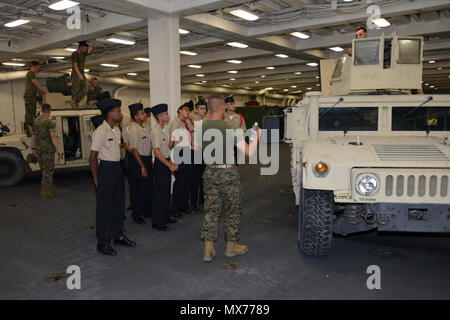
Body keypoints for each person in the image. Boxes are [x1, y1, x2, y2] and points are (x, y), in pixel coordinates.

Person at [199, 95, 261, 263]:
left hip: (210, 173)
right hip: (228, 174)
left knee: (211, 211)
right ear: (222, 108)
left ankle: (208, 248)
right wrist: (256, 136)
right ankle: (231, 246)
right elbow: (248, 152)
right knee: (233, 210)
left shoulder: (201, 127)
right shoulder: (230, 130)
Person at [89, 97, 136, 256]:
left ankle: (118, 235)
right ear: (110, 114)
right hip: (106, 170)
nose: (121, 114)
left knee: (118, 204)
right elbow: (92, 157)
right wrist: (96, 180)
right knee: (104, 208)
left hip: (116, 168)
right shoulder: (101, 131)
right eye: (118, 111)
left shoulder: (116, 130)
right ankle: (103, 242)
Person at [150, 104, 178, 231]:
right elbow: (156, 152)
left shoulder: (162, 130)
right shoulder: (155, 131)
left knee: (166, 192)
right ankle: (157, 221)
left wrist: (171, 161)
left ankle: (165, 216)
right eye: (166, 113)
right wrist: (169, 165)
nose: (168, 115)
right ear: (159, 117)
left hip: (165, 162)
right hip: (161, 165)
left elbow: (165, 150)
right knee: (160, 194)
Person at [127, 103, 153, 225]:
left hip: (147, 158)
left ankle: (148, 211)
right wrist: (142, 166)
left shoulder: (146, 127)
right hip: (137, 160)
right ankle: (137, 214)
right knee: (138, 188)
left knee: (148, 187)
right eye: (142, 113)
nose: (145, 115)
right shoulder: (133, 129)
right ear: (136, 117)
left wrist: (150, 161)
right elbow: (133, 149)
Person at [31, 103, 63, 198]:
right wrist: (59, 150)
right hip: (48, 150)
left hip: (39, 150)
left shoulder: (36, 121)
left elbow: (33, 136)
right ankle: (46, 191)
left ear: (41, 110)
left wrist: (33, 148)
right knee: (48, 171)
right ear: (49, 111)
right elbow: (53, 136)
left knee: (44, 170)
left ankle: (45, 190)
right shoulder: (49, 122)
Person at [169, 104, 194, 218]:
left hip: (187, 152)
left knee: (187, 181)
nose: (188, 112)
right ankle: (175, 208)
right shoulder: (175, 123)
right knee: (179, 182)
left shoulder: (186, 123)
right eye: (186, 110)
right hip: (180, 152)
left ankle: (183, 205)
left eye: (189, 111)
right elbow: (173, 142)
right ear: (179, 111)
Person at [189, 99, 208, 212]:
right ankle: (193, 202)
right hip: (194, 151)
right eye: (201, 108)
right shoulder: (190, 120)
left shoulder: (206, 121)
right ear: (196, 110)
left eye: (205, 109)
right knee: (194, 178)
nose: (203, 111)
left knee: (203, 177)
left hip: (204, 151)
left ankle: (202, 199)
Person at [24, 61, 47, 137]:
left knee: (32, 112)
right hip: (30, 94)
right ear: (33, 66)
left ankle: (30, 129)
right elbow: (36, 83)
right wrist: (43, 91)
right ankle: (28, 130)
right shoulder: (30, 73)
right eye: (38, 67)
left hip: (32, 94)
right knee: (30, 112)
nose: (38, 69)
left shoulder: (32, 74)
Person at [71, 41, 93, 108]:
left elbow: (89, 50)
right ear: (81, 47)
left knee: (85, 89)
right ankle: (74, 102)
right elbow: (75, 66)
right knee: (76, 89)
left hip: (82, 73)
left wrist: (89, 47)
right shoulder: (75, 54)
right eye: (85, 48)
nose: (85, 50)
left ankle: (76, 100)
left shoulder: (83, 54)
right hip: (76, 73)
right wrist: (79, 75)